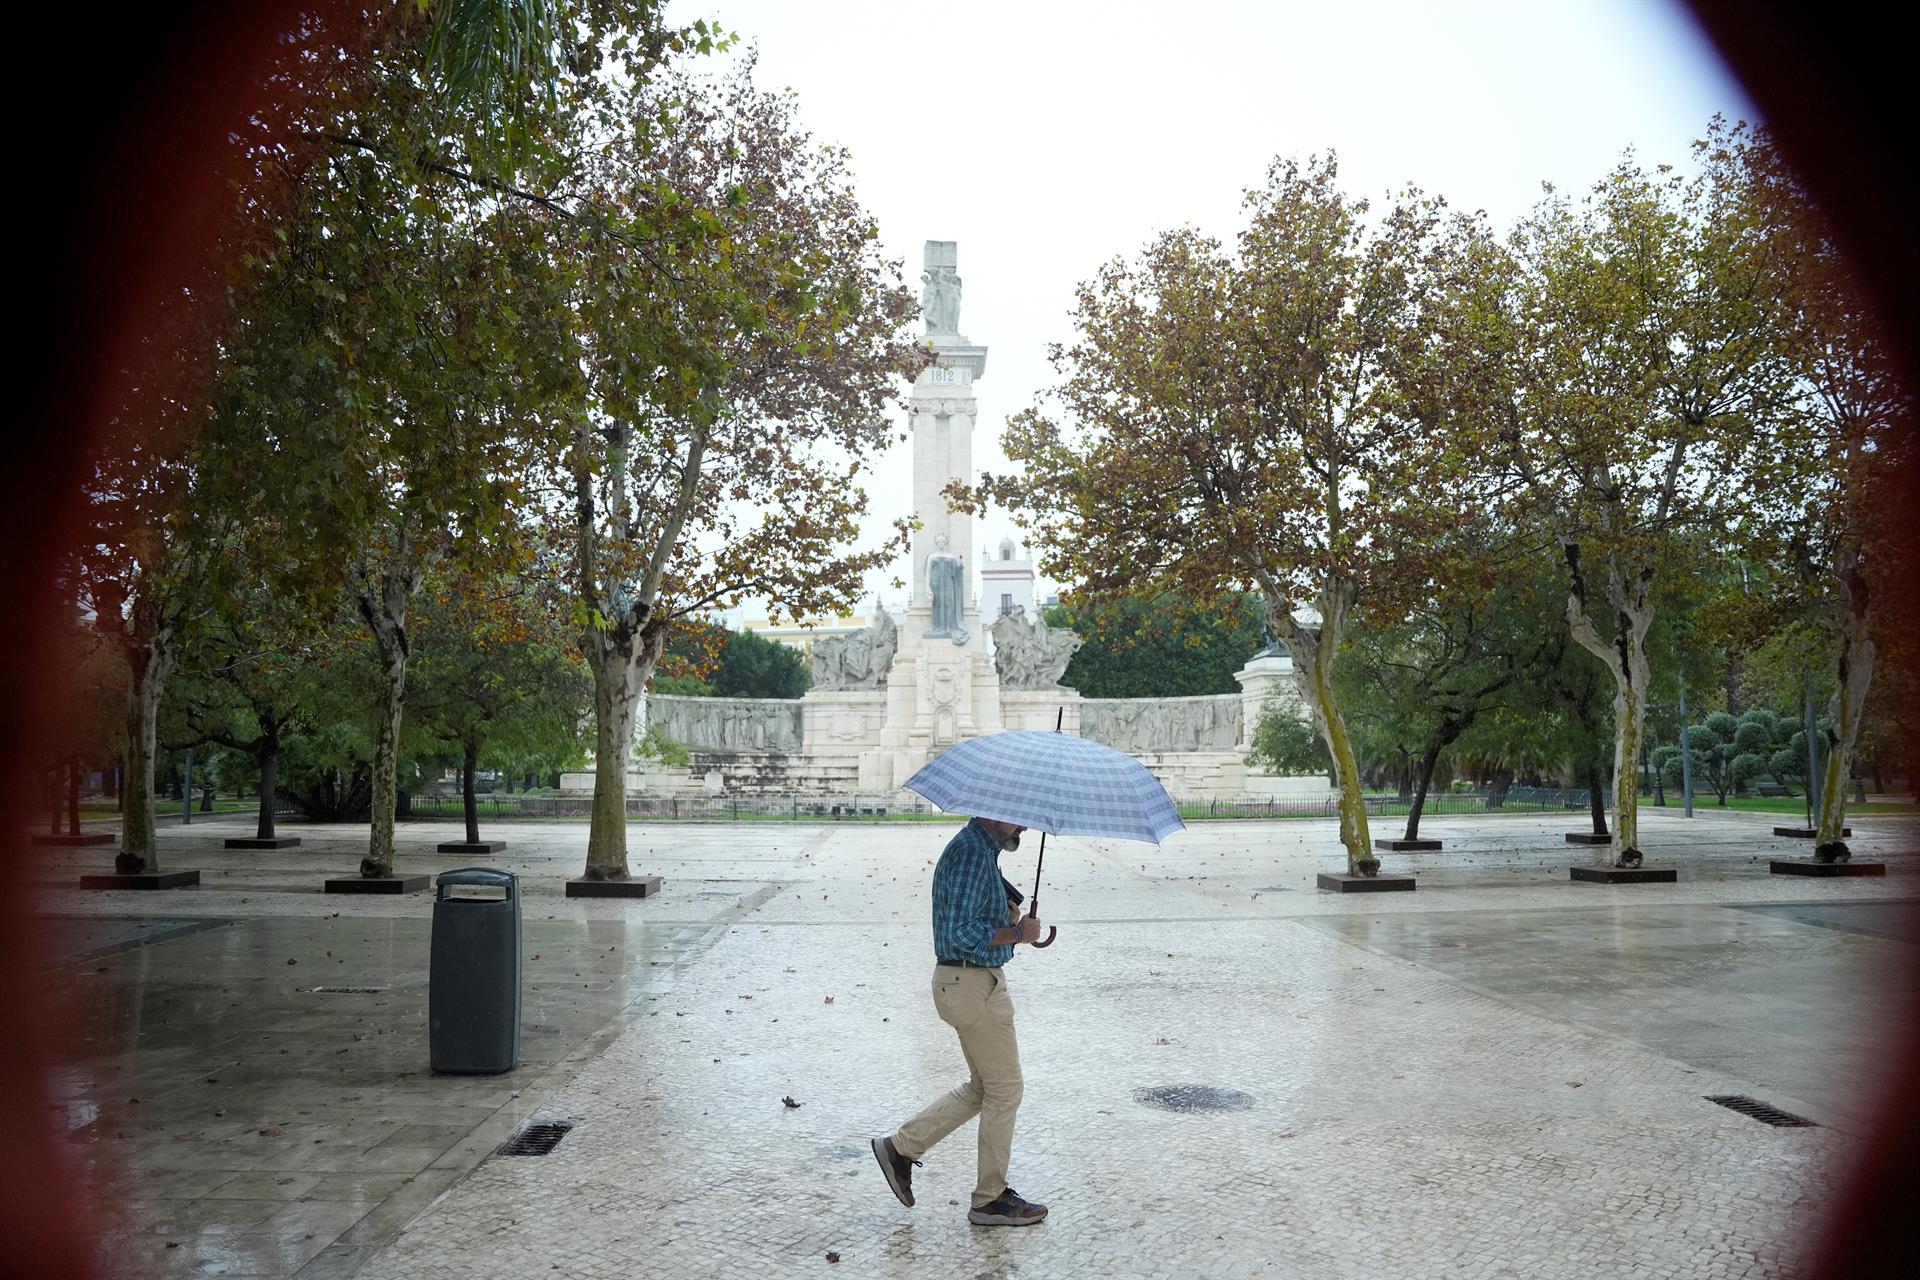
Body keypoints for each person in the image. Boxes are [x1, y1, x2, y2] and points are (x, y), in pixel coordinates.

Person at [871, 815, 1049, 1226]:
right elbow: (962, 933)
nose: (1023, 827)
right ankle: (990, 1199)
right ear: (995, 810)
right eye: (1018, 817)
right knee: (1005, 1090)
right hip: (971, 983)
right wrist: (1018, 934)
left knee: (985, 1087)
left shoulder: (981, 850)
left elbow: (972, 920)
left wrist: (1007, 916)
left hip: (968, 982)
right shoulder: (971, 853)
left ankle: (900, 1148)